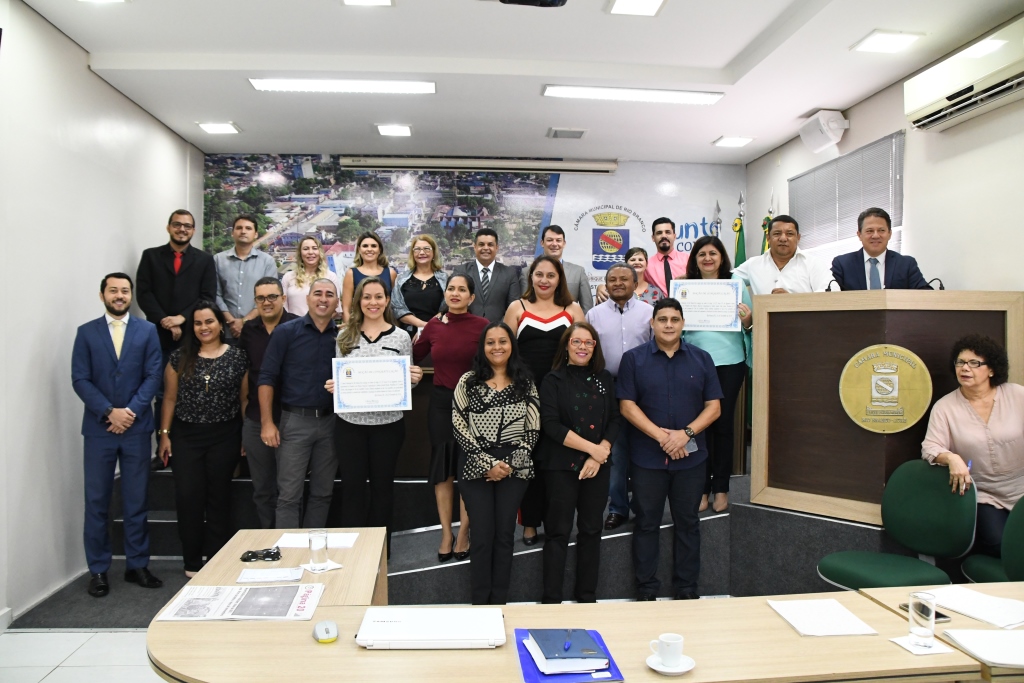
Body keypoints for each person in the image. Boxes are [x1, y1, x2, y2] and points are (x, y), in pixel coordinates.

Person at [618, 298, 723, 600]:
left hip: (691, 458)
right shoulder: (633, 359)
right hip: (647, 459)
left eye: (674, 319)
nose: (668, 325)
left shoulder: (702, 359)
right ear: (652, 323)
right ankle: (646, 591)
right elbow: (626, 406)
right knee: (646, 523)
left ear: (683, 323)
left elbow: (714, 407)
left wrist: (684, 435)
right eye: (662, 319)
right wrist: (664, 438)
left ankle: (686, 591)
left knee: (688, 524)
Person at [72, 273, 164, 597]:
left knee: (136, 500)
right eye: (114, 290)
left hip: (136, 428)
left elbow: (154, 375)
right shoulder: (86, 334)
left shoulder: (147, 331)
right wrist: (109, 411)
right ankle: (98, 570)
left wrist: (130, 412)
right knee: (97, 502)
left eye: (125, 291)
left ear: (131, 295)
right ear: (102, 296)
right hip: (99, 430)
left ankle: (137, 565)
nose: (120, 295)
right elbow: (80, 379)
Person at [328, 277, 422, 555]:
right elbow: (341, 377)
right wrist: (335, 385)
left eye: (379, 297)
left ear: (387, 300)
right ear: (358, 301)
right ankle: (353, 554)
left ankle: (380, 553)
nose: (373, 302)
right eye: (367, 297)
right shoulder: (345, 336)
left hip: (388, 426)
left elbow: (408, 382)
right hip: (350, 426)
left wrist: (414, 378)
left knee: (383, 490)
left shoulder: (401, 337)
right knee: (353, 489)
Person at [453, 322, 541, 604]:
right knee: (481, 536)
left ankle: (499, 603)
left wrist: (509, 465)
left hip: (515, 467)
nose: (497, 347)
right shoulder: (468, 381)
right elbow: (458, 425)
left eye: (503, 341)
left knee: (504, 535)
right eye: (490, 342)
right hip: (474, 465)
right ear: (482, 347)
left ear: (512, 345)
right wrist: (487, 463)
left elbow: (533, 428)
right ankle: (480, 604)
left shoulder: (525, 382)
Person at [158, 302, 248, 576]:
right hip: (187, 436)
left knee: (219, 497)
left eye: (209, 321)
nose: (204, 327)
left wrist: (247, 437)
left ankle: (218, 559)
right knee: (188, 497)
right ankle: (193, 561)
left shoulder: (238, 357)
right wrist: (164, 435)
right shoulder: (179, 358)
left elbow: (244, 399)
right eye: (198, 323)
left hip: (226, 435)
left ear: (220, 325)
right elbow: (170, 399)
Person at [505, 256, 585, 545]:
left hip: (562, 398)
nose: (544, 280)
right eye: (539, 274)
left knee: (557, 464)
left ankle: (557, 522)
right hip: (525, 397)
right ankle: (529, 523)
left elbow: (583, 351)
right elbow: (504, 353)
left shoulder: (572, 309)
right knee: (529, 461)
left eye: (551, 275)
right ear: (531, 277)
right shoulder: (518, 308)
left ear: (559, 279)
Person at [539, 322, 621, 603]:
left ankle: (586, 597)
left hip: (597, 468)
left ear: (595, 347)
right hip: (560, 467)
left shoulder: (605, 378)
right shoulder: (552, 380)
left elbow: (614, 419)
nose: (582, 347)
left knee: (591, 531)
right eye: (577, 342)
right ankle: (552, 600)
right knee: (557, 532)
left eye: (588, 343)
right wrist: (592, 451)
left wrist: (602, 452)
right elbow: (550, 425)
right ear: (566, 346)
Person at [922, 334, 1024, 558]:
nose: (965, 368)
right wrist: (951, 458)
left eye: (974, 363)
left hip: (1021, 488)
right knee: (1002, 544)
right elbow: (930, 447)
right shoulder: (945, 407)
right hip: (983, 494)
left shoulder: (1017, 395)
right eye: (960, 362)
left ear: (991, 369)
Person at [413, 274, 489, 562]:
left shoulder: (483, 327)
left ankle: (464, 532)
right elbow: (412, 356)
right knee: (443, 472)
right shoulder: (433, 325)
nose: (455, 293)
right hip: (441, 405)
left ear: (471, 297)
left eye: (462, 290)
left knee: (469, 470)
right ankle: (446, 532)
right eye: (451, 289)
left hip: (474, 407)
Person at [258, 279, 340, 529]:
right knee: (289, 496)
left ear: (337, 302)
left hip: (331, 423)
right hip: (295, 422)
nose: (323, 299)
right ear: (308, 299)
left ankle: (313, 554)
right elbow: (266, 377)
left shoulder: (344, 337)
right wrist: (267, 423)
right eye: (317, 293)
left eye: (329, 294)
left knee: (323, 493)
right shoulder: (286, 332)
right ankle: (290, 558)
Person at [682, 235, 753, 513]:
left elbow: (750, 324)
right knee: (699, 428)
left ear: (722, 257)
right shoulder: (684, 288)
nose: (708, 258)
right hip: (694, 364)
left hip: (729, 362)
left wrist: (747, 319)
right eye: (702, 254)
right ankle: (701, 489)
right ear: (695, 260)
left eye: (713, 253)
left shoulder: (737, 286)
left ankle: (721, 488)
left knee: (723, 428)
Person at [586, 263, 653, 530]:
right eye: (612, 279)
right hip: (608, 389)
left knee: (643, 448)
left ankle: (643, 505)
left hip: (644, 390)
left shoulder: (650, 313)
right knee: (614, 451)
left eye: (624, 279)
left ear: (635, 284)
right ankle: (617, 507)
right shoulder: (593, 315)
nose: (617, 283)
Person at [237, 277, 298, 529]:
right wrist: (245, 427)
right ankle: (269, 542)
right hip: (256, 420)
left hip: (294, 419)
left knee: (290, 491)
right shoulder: (249, 331)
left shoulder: (299, 326)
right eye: (261, 298)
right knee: (262, 489)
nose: (267, 302)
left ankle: (292, 544)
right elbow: (244, 380)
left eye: (272, 296)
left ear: (284, 298)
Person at [136, 210, 218, 355]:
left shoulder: (205, 260)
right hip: (157, 332)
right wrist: (165, 321)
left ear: (193, 230)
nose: (182, 229)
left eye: (187, 226)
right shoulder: (150, 256)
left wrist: (182, 318)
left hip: (191, 332)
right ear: (168, 227)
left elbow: (207, 296)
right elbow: (144, 293)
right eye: (177, 225)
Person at [830, 207, 932, 290]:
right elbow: (829, 297)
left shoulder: (906, 264)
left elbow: (925, 295)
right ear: (859, 235)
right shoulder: (842, 264)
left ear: (889, 234)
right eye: (869, 231)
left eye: (881, 230)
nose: (875, 236)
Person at [214, 214, 279, 340]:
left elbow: (269, 297)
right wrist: (231, 321)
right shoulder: (218, 260)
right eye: (239, 228)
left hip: (257, 331)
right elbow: (216, 294)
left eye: (248, 228)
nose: (243, 231)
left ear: (255, 234)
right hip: (226, 332)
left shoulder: (267, 262)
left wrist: (244, 321)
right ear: (232, 233)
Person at [734, 215, 831, 295]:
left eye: (789, 234)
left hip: (803, 319)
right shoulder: (753, 264)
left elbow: (832, 293)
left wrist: (791, 301)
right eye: (777, 233)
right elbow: (727, 279)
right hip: (762, 318)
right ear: (768, 238)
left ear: (798, 238)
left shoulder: (813, 264)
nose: (783, 238)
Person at [450, 228, 522, 323]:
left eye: (490, 245)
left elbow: (514, 307)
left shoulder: (509, 273)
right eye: (481, 244)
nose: (485, 248)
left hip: (498, 332)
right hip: (465, 330)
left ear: (497, 247)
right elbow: (450, 302)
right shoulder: (461, 271)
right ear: (475, 247)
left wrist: (499, 328)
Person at [519, 225, 595, 313]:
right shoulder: (527, 272)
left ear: (564, 243)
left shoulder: (578, 272)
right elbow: (523, 306)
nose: (554, 244)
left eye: (558, 240)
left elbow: (587, 309)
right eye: (550, 240)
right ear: (542, 243)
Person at [392, 235, 448, 337]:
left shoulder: (445, 279)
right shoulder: (401, 279)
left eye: (426, 249)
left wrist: (427, 329)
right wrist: (423, 326)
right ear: (412, 254)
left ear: (434, 252)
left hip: (438, 333)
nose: (422, 253)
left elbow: (447, 308)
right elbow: (397, 309)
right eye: (417, 249)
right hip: (407, 335)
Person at [342, 232, 398, 322]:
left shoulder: (391, 273)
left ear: (379, 250)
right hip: (359, 326)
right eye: (365, 246)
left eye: (373, 246)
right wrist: (350, 330)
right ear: (359, 250)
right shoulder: (351, 274)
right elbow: (346, 309)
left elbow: (395, 306)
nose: (369, 249)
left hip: (386, 324)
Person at [280, 236, 342, 317]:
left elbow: (335, 309)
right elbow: (283, 307)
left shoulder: (330, 276)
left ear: (320, 252)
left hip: (320, 328)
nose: (310, 252)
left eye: (314, 248)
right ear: (300, 253)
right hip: (294, 327)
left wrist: (317, 324)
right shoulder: (288, 277)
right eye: (306, 249)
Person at [644, 217, 688, 298]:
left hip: (687, 306)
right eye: (659, 233)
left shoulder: (688, 260)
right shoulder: (646, 266)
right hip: (659, 308)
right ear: (653, 238)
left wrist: (690, 277)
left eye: (668, 232)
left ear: (674, 236)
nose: (664, 236)